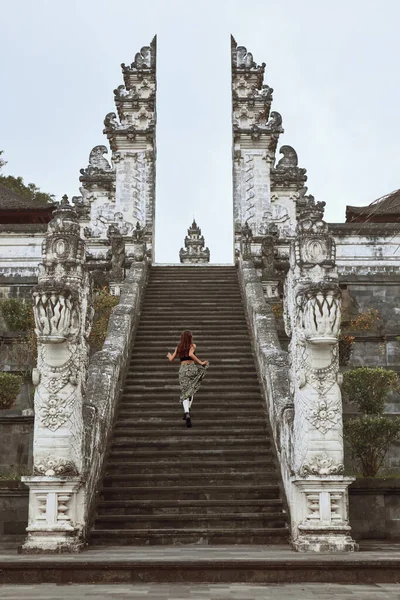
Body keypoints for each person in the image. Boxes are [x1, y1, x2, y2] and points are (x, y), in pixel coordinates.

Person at [167, 330, 209, 428]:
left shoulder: (178, 347)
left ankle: (186, 412)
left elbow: (171, 359)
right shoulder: (192, 345)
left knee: (184, 391)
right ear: (190, 337)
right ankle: (189, 407)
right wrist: (201, 362)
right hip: (192, 368)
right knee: (191, 389)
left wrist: (169, 355)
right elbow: (190, 354)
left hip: (183, 370)